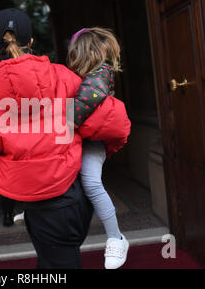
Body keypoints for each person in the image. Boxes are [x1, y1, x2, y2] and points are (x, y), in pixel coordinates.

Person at [0, 8, 130, 269]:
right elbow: (116, 123)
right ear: (31, 43)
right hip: (71, 198)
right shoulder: (63, 78)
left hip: (37, 204)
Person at [68, 27, 130, 269]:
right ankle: (35, 211)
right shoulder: (83, 75)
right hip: (80, 138)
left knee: (92, 183)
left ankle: (116, 237)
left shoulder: (99, 76)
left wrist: (61, 120)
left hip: (92, 141)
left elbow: (84, 101)